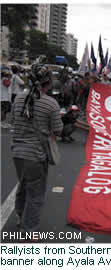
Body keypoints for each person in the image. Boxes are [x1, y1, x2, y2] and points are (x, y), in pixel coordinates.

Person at [11, 64, 63, 242]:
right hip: (35, 154)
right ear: (48, 82)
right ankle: (30, 229)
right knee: (36, 193)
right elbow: (57, 130)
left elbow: (13, 121)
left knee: (23, 185)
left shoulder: (18, 98)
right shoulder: (51, 103)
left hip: (17, 152)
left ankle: (20, 217)